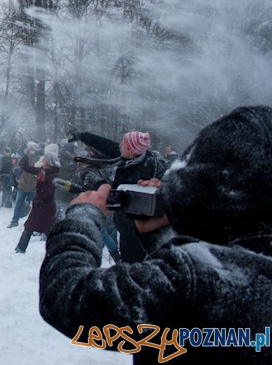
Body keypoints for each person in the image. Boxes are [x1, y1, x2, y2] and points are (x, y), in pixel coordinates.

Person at [40, 105, 272, 363]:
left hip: (122, 226)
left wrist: (83, 217)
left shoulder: (197, 279)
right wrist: (160, 231)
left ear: (210, 187)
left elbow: (66, 295)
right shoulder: (249, 265)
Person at [66, 128, 162, 262]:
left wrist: (98, 183)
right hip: (127, 226)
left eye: (123, 143)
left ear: (131, 149)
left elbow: (118, 201)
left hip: (134, 232)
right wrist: (82, 135)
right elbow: (105, 144)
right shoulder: (135, 155)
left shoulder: (140, 173)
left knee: (132, 265)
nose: (120, 145)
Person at [14, 152, 59, 253]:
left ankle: (55, 251)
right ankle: (20, 249)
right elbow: (25, 167)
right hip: (39, 206)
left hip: (46, 208)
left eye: (44, 160)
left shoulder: (54, 176)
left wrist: (40, 182)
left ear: (49, 162)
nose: (42, 161)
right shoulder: (42, 171)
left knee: (46, 230)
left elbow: (47, 194)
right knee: (30, 227)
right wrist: (26, 154)